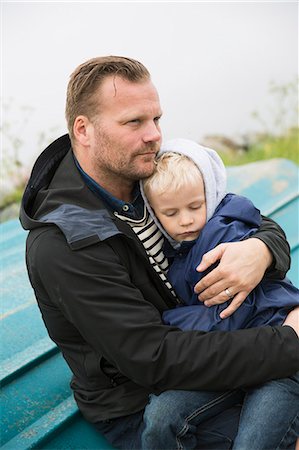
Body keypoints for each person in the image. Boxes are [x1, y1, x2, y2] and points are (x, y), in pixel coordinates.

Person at [19, 56, 299, 450]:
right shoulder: (64, 245)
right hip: (147, 401)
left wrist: (261, 250)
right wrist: (289, 342)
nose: (153, 135)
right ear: (83, 129)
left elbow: (241, 217)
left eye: (156, 119)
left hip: (219, 346)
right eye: (134, 122)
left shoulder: (140, 177)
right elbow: (155, 358)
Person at [141, 139, 299, 449]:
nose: (185, 219)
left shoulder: (221, 234)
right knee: (161, 419)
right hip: (236, 359)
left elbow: (230, 312)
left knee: (253, 443)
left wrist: (173, 323)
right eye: (171, 213)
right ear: (154, 214)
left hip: (281, 356)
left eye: (194, 207)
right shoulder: (178, 249)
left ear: (210, 197)